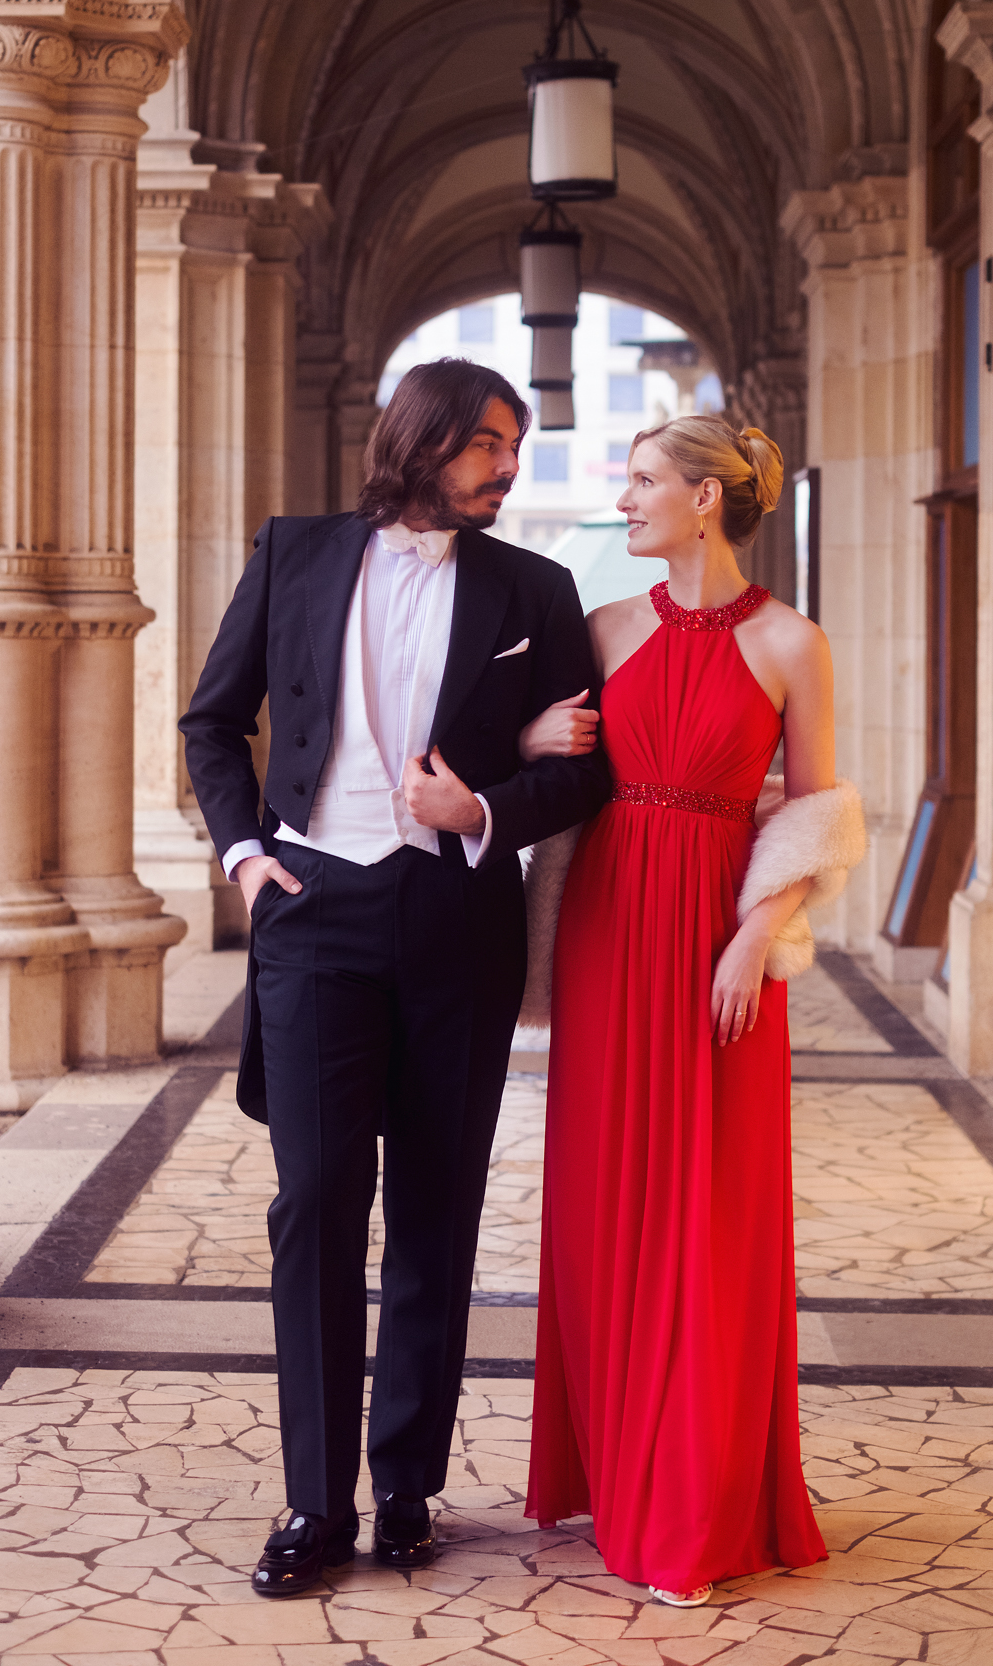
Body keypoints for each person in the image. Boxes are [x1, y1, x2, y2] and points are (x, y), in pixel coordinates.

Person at [179, 358, 609, 1597]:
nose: (508, 465)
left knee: (436, 1207)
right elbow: (214, 721)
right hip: (313, 905)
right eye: (487, 442)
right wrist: (245, 856)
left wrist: (486, 807)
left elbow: (586, 770)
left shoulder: (535, 586)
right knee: (317, 1198)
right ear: (421, 439)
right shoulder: (295, 552)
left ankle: (407, 1485)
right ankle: (315, 1502)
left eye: (516, 446)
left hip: (457, 916)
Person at [521, 413, 862, 1604]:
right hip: (608, 928)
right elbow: (556, 770)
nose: (625, 499)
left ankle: (691, 1506)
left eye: (642, 479)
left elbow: (817, 812)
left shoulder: (793, 641)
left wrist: (756, 937)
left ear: (706, 497)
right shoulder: (604, 627)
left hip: (721, 941)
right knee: (605, 1201)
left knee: (709, 1214)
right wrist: (530, 735)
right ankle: (615, 1472)